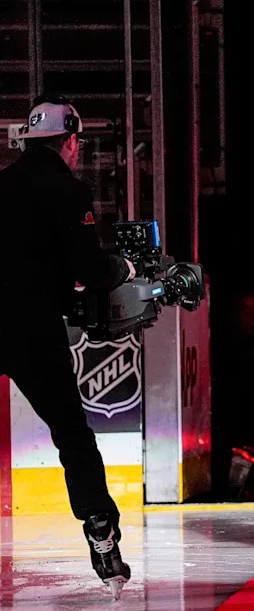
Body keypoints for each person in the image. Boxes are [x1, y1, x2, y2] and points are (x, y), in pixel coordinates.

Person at [0, 94, 136, 598]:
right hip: (32, 329)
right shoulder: (67, 189)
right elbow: (91, 271)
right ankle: (102, 536)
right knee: (73, 436)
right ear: (71, 141)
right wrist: (122, 268)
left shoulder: (2, 182)